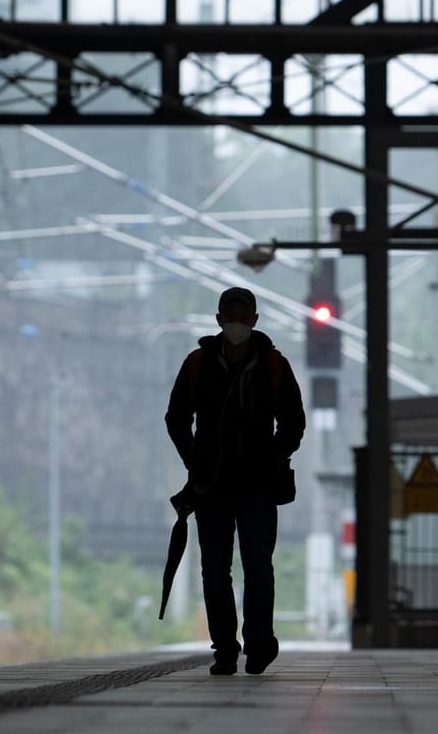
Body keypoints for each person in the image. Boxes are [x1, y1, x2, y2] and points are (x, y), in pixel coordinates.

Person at [164, 286, 305, 676]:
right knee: (215, 569)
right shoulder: (197, 365)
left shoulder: (275, 366)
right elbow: (176, 417)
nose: (237, 323)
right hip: (212, 488)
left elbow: (294, 421)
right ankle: (225, 647)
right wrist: (196, 461)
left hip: (259, 486)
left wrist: (274, 456)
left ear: (255, 321)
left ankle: (259, 643)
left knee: (259, 565)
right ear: (218, 320)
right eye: (230, 315)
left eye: (243, 316)